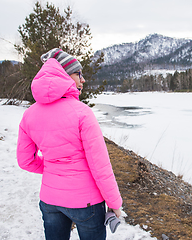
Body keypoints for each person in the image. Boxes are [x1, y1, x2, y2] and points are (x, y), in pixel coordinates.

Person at [17, 48, 122, 240]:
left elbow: (25, 161)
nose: (83, 80)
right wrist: (114, 203)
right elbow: (100, 166)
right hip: (87, 203)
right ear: (63, 75)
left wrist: (52, 168)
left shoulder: (29, 115)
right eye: (78, 74)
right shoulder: (82, 113)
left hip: (50, 200)